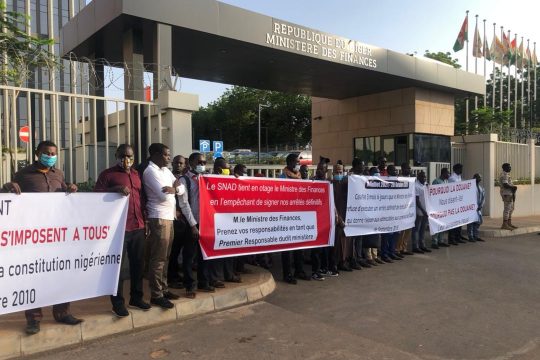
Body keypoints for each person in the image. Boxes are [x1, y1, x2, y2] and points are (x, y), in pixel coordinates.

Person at [2, 140, 82, 334]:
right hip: (34, 237)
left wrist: (69, 188)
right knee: (34, 277)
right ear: (37, 153)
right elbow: (8, 198)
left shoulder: (59, 174)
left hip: (58, 236)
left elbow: (63, 195)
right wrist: (7, 187)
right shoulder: (23, 175)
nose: (50, 155)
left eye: (53, 153)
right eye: (46, 152)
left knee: (61, 273)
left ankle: (62, 312)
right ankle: (34, 319)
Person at [94, 144, 151, 317]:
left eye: (130, 156)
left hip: (138, 226)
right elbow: (96, 195)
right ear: (116, 155)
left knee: (137, 265)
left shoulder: (136, 174)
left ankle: (136, 297)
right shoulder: (107, 175)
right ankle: (117, 303)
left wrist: (145, 220)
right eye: (123, 156)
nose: (127, 159)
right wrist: (114, 190)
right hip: (119, 228)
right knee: (117, 268)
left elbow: (141, 198)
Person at [142, 143, 183, 309]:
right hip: (158, 218)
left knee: (165, 256)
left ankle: (164, 289)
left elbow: (182, 189)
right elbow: (162, 196)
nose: (169, 158)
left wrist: (174, 190)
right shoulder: (150, 171)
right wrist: (175, 190)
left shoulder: (166, 171)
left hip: (169, 217)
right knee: (158, 258)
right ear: (156, 155)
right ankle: (156, 294)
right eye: (166, 155)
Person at [178, 152, 221, 296]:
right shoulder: (184, 180)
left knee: (205, 255)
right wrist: (192, 225)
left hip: (206, 222)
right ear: (190, 163)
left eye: (204, 163)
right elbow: (184, 204)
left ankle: (204, 282)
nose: (202, 165)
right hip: (191, 223)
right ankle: (190, 286)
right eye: (199, 162)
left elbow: (224, 185)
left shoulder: (207, 178)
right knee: (189, 256)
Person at [279, 153, 310, 284]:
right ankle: (287, 274)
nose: (298, 164)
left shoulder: (300, 176)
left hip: (299, 214)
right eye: (296, 162)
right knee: (286, 247)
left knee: (299, 245)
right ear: (290, 162)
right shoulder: (282, 176)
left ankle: (299, 270)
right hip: (286, 214)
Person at [211, 157, 241, 284]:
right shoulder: (209, 180)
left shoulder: (229, 179)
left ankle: (229, 274)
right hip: (216, 220)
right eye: (227, 168)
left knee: (229, 249)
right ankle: (215, 277)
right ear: (219, 169)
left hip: (229, 219)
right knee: (217, 250)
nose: (230, 170)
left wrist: (237, 180)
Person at [168, 154, 189, 289]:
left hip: (186, 219)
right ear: (172, 163)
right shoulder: (169, 177)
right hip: (173, 218)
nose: (179, 165)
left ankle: (178, 274)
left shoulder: (186, 179)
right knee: (173, 251)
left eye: (181, 163)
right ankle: (172, 277)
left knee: (182, 250)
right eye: (176, 163)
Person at [379, 165, 402, 262]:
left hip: (396, 211)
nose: (396, 172)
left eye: (396, 170)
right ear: (388, 171)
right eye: (393, 170)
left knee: (395, 233)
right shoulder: (384, 181)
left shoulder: (399, 181)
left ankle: (392, 252)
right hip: (387, 212)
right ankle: (385, 254)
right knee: (386, 234)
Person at [396, 162, 414, 256]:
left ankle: (404, 247)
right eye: (407, 168)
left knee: (408, 229)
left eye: (409, 168)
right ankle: (398, 248)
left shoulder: (412, 179)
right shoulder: (399, 179)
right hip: (401, 208)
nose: (409, 170)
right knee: (401, 230)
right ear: (402, 169)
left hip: (410, 208)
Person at [412, 171, 431, 254]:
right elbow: (417, 200)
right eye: (422, 177)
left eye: (425, 177)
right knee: (416, 229)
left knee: (423, 230)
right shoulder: (416, 186)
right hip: (419, 211)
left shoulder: (426, 184)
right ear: (418, 177)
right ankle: (415, 246)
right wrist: (423, 210)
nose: (424, 178)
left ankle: (422, 245)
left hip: (426, 211)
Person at [431, 168, 450, 249]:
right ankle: (434, 242)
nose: (449, 174)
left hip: (444, 206)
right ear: (443, 173)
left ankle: (441, 240)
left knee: (442, 223)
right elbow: (434, 193)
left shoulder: (446, 181)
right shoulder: (436, 181)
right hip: (437, 206)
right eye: (447, 173)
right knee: (436, 223)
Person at [448, 163, 466, 245]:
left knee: (459, 221)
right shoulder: (452, 178)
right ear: (456, 169)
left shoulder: (459, 177)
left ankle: (458, 237)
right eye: (460, 169)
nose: (462, 170)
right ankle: (452, 239)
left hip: (459, 201)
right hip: (454, 202)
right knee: (453, 222)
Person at [467, 173, 486, 242]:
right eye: (479, 177)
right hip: (471, 208)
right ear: (474, 178)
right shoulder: (470, 186)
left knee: (478, 222)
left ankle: (476, 236)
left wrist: (481, 206)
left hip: (478, 208)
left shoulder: (481, 188)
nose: (480, 179)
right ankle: (471, 236)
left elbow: (483, 198)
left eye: (480, 177)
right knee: (471, 223)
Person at [499, 163, 518, 230]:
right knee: (507, 209)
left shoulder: (507, 175)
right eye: (509, 167)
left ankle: (509, 223)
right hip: (507, 194)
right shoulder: (504, 175)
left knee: (511, 209)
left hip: (510, 194)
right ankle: (504, 224)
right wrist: (513, 187)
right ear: (504, 168)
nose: (510, 168)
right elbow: (505, 184)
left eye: (510, 167)